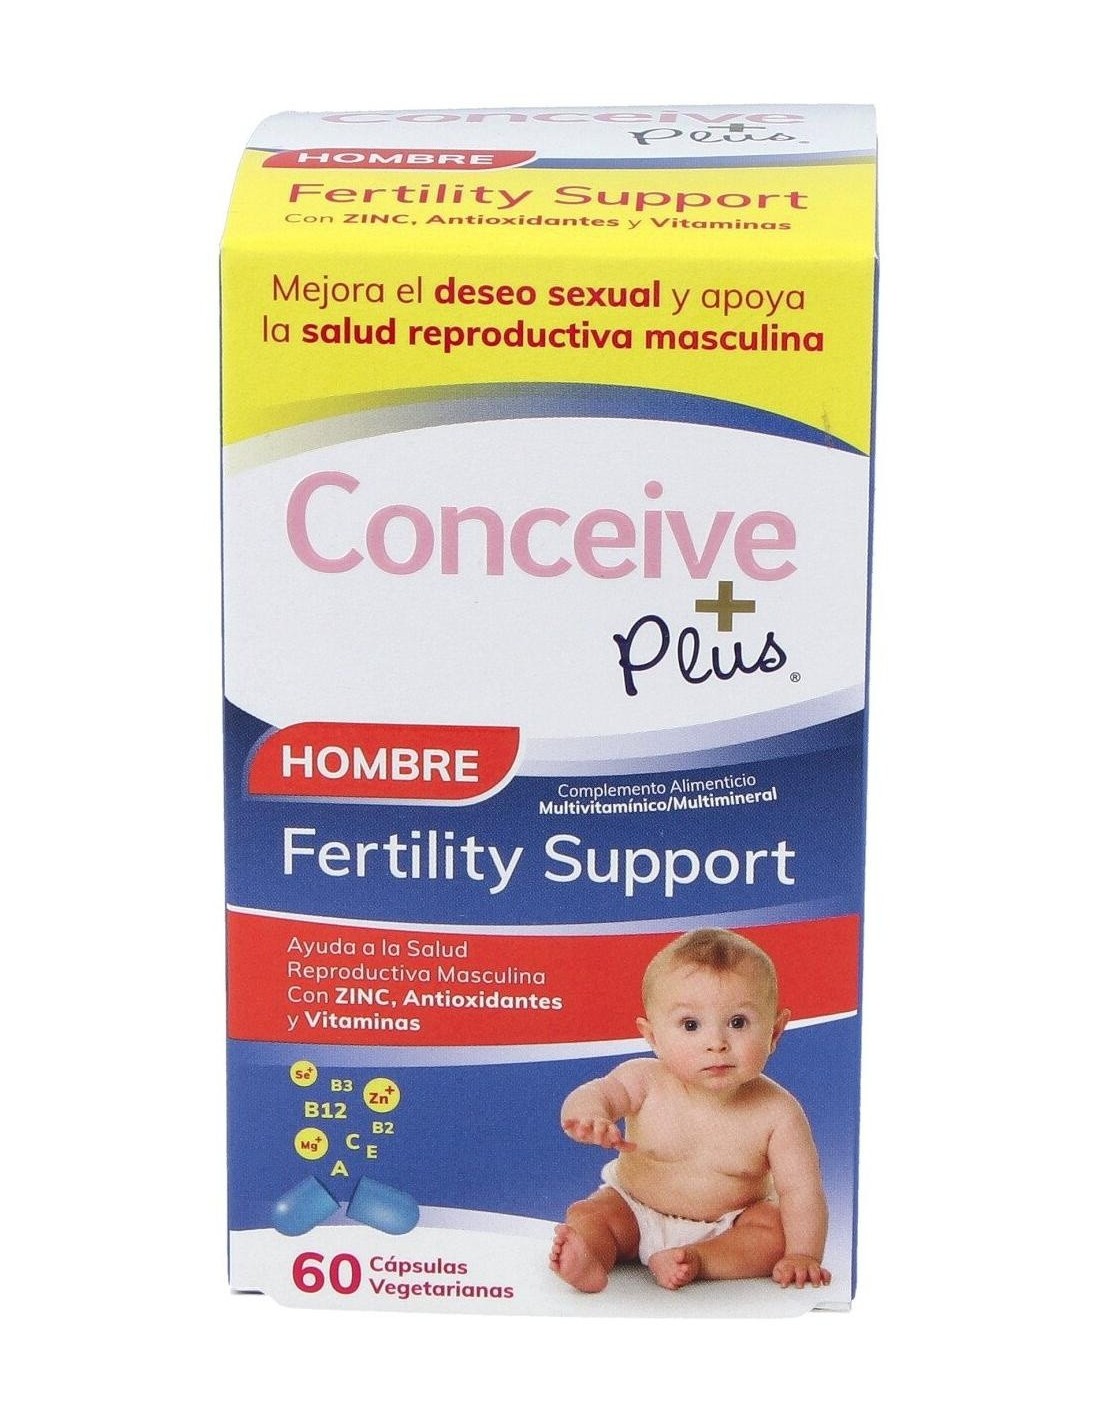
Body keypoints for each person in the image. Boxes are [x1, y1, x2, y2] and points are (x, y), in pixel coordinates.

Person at [549, 928, 831, 1292]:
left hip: (729, 1225)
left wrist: (804, 1254)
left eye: (738, 1022)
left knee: (773, 1232)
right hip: (634, 1208)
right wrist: (590, 1115)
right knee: (592, 1214)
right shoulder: (643, 1080)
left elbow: (801, 1191)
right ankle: (590, 1256)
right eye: (691, 1025)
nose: (716, 1043)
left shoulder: (779, 1113)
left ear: (775, 1032)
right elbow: (599, 1092)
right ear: (653, 1037)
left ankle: (698, 1259)